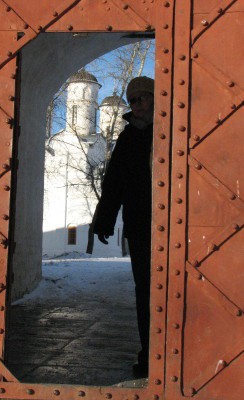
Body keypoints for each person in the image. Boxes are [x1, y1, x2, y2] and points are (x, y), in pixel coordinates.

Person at [93, 76, 154, 378]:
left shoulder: (173, 132)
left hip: (179, 228)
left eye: (144, 97)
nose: (138, 104)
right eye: (133, 100)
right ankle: (150, 353)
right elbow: (114, 182)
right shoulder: (128, 138)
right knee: (146, 291)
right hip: (142, 226)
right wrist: (104, 219)